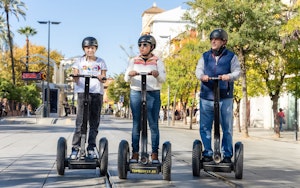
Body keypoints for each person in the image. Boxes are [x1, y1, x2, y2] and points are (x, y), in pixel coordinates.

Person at [195, 28, 241, 164]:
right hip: (207, 96)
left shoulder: (231, 57)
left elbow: (237, 72)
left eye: (216, 39)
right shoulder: (205, 56)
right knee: (205, 127)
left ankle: (227, 154)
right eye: (212, 39)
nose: (213, 41)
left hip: (224, 97)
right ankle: (208, 152)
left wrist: (229, 76)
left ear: (224, 41)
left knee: (226, 128)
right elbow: (198, 70)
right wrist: (202, 76)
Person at [124, 34, 166, 164]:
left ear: (151, 47)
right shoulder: (133, 60)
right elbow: (126, 78)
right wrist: (130, 74)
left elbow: (163, 79)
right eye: (140, 45)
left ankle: (154, 154)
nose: (142, 47)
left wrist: (157, 75)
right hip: (136, 92)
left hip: (152, 93)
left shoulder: (158, 61)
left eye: (145, 45)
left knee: (153, 124)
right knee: (136, 124)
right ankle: (135, 153)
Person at [70, 36, 107, 160]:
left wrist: (101, 78)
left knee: (94, 122)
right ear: (84, 49)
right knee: (80, 122)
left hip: (96, 93)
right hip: (82, 93)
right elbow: (75, 76)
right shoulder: (79, 62)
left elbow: (103, 76)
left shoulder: (100, 62)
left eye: (92, 48)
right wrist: (75, 75)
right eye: (87, 48)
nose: (90, 50)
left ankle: (91, 147)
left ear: (95, 48)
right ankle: (76, 148)